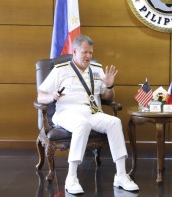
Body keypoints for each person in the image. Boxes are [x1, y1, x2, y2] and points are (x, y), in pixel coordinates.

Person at [37, 35, 139, 194]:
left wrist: (110, 85)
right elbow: (40, 96)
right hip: (67, 113)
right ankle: (71, 178)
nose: (89, 56)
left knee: (114, 122)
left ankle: (121, 175)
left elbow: (107, 98)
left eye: (91, 53)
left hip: (92, 112)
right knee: (82, 124)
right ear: (75, 51)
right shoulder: (61, 70)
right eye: (85, 52)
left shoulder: (97, 69)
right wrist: (52, 96)